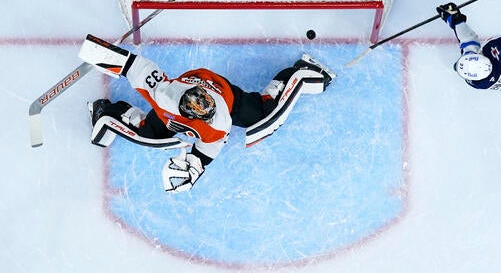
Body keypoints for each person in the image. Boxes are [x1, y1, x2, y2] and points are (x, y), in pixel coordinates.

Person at [77, 34, 335, 192]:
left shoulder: (220, 120)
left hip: (225, 93)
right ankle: (106, 113)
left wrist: (194, 167)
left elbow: (209, 147)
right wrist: (97, 53)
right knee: (151, 135)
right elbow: (134, 66)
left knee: (263, 115)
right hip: (191, 83)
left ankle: (299, 72)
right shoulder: (163, 94)